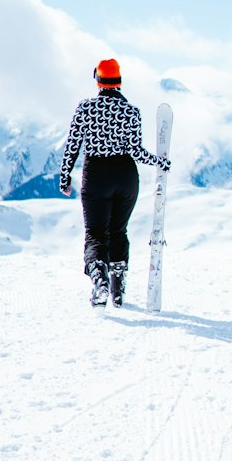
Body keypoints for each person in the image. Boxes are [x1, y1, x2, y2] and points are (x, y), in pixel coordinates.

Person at [59, 58, 171, 307]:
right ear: (119, 82)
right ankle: (117, 288)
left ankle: (99, 279)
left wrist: (65, 176)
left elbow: (73, 145)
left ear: (98, 81)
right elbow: (136, 151)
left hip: (97, 174)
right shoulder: (131, 111)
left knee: (96, 234)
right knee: (119, 231)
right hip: (125, 175)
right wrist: (159, 161)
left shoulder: (85, 108)